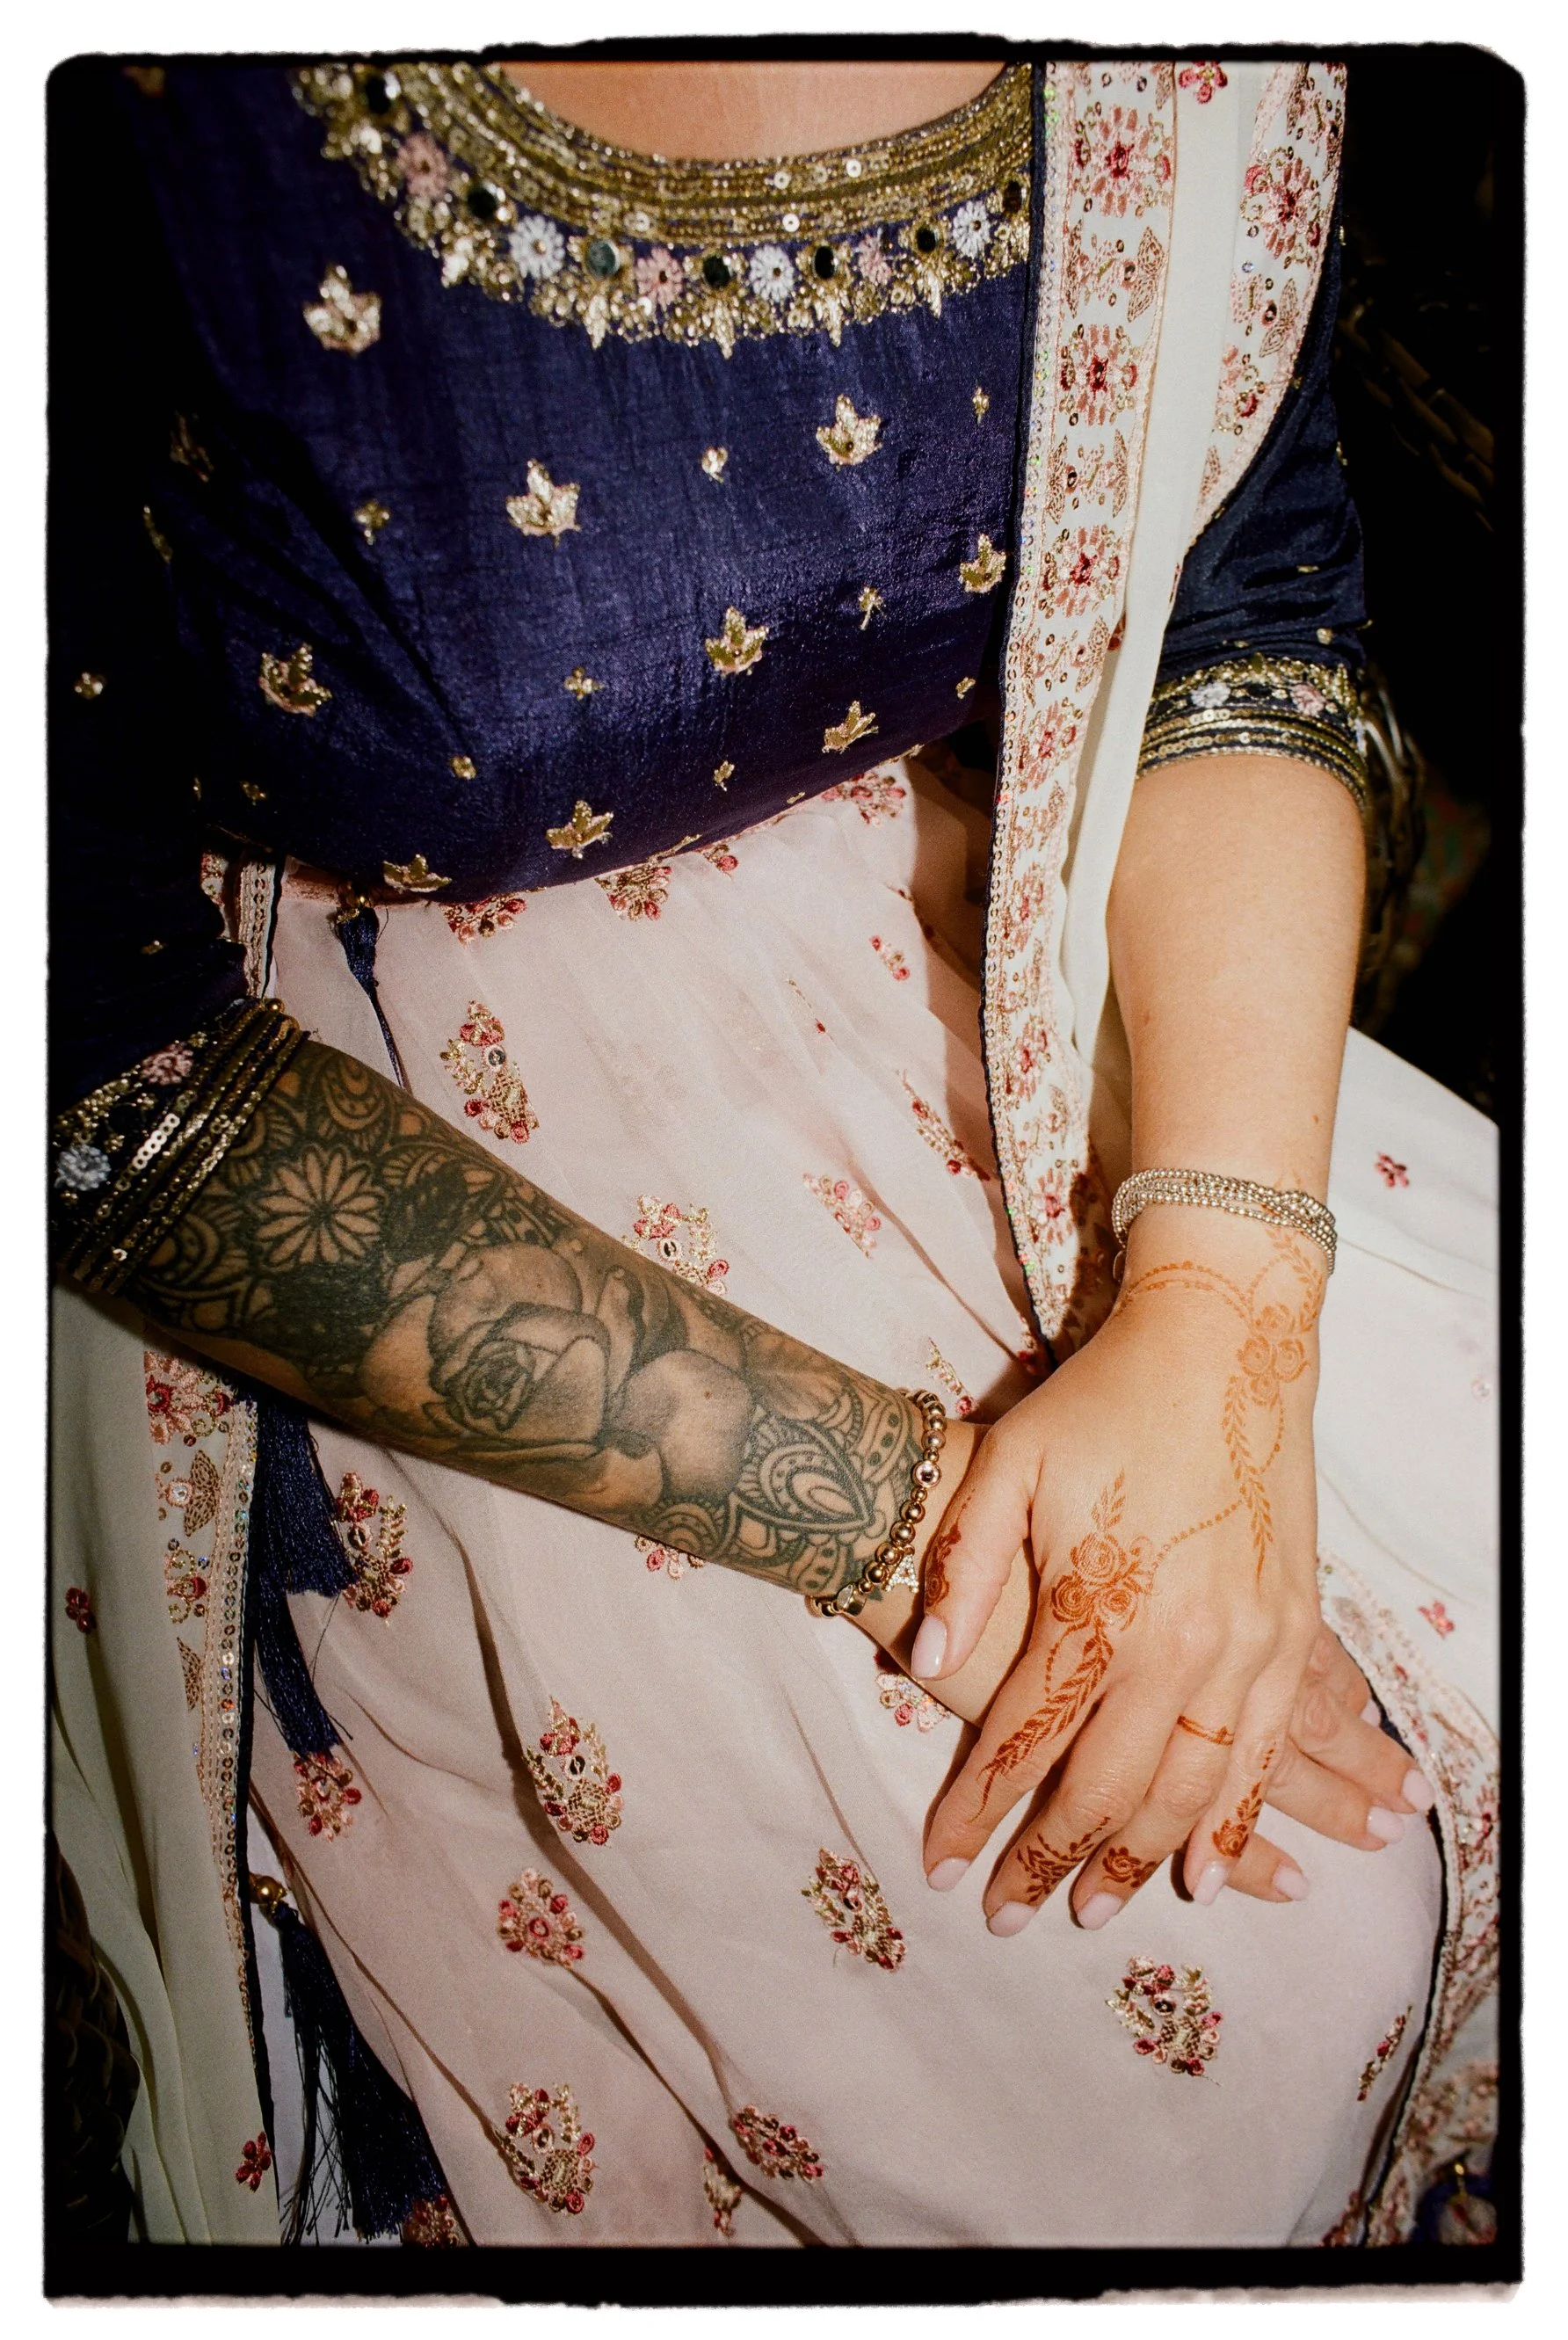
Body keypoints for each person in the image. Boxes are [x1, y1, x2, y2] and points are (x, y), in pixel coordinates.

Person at [48, 52, 1498, 2249]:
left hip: (993, 928)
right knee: (1205, 2055)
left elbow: (1235, 598)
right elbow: (88, 1042)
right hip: (365, 1107)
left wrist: (1223, 1298)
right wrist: (929, 1537)